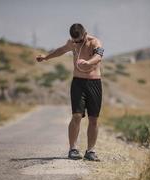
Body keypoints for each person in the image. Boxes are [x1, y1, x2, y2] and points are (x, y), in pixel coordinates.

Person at [36, 23, 104, 161]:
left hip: (94, 83)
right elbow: (61, 50)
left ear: (84, 34)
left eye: (79, 40)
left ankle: (90, 151)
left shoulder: (95, 42)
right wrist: (46, 57)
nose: (76, 43)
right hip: (78, 82)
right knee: (76, 116)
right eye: (74, 40)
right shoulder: (72, 43)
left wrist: (89, 62)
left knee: (93, 119)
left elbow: (99, 56)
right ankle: (72, 149)